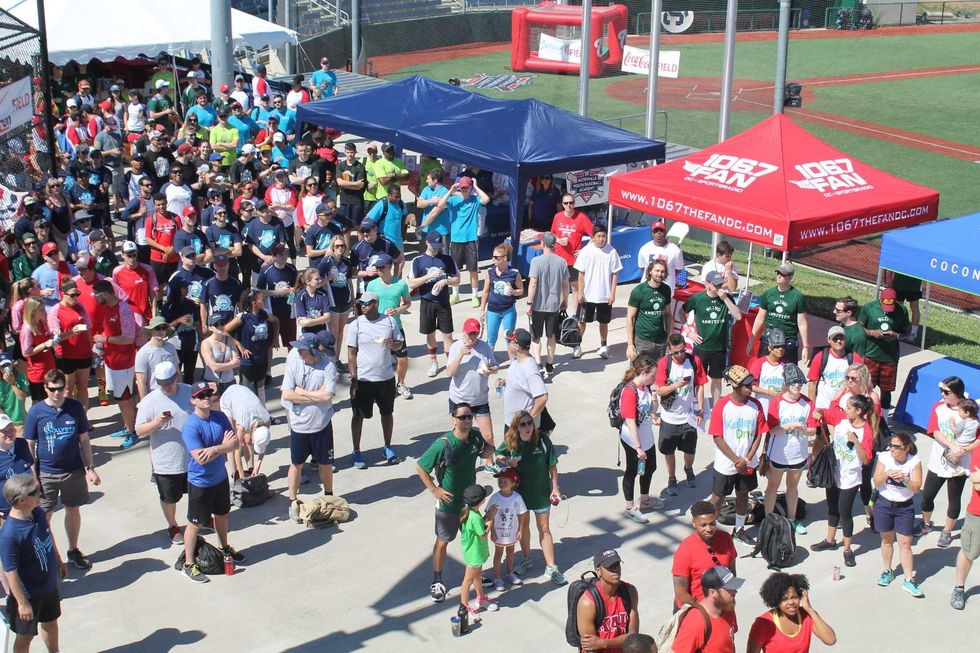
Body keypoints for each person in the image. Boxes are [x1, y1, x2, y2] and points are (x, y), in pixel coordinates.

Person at [415, 403, 493, 603]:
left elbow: (485, 452)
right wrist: (435, 490)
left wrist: (491, 449)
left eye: (470, 416)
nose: (467, 420)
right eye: (463, 417)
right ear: (454, 419)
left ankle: (475, 576)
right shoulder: (443, 444)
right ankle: (437, 581)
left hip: (469, 504)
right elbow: (421, 466)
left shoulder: (475, 437)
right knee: (442, 542)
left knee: (474, 541)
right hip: (449, 505)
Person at [23, 369, 99, 570]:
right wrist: (33, 475)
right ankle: (48, 554)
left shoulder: (75, 407)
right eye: (53, 389)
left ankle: (73, 550)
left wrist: (90, 467)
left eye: (61, 389)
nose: (57, 393)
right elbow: (29, 443)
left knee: (73, 509)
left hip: (73, 471)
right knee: (43, 516)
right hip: (46, 473)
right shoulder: (36, 412)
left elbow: (83, 439)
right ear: (45, 389)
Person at [179, 382, 245, 583]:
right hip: (200, 482)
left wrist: (215, 449)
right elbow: (200, 458)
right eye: (201, 396)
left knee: (222, 516)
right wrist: (223, 446)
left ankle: (225, 548)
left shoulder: (220, 417)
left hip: (220, 478)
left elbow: (235, 443)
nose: (207, 398)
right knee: (195, 524)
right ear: (193, 401)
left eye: (208, 394)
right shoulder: (191, 426)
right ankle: (189, 564)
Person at [494, 411, 564, 585]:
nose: (527, 427)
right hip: (521, 495)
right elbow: (498, 455)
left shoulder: (542, 440)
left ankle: (551, 566)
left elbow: (552, 466)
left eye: (529, 423)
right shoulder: (511, 442)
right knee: (524, 528)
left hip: (541, 493)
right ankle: (526, 559)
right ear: (516, 428)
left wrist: (555, 488)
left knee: (544, 528)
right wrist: (508, 461)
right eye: (523, 424)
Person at [0, 474, 67, 653]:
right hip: (28, 595)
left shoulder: (37, 512)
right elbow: (10, 571)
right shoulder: (10, 534)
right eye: (35, 492)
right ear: (22, 500)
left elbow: (48, 534)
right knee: (25, 636)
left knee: (51, 622)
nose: (40, 493)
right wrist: (22, 603)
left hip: (48, 586)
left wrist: (58, 559)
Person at [810, 394, 876, 568]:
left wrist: (856, 442)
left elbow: (866, 459)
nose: (845, 410)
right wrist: (818, 412)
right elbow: (823, 412)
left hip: (850, 478)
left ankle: (847, 549)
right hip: (835, 472)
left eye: (848, 408)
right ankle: (830, 540)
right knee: (832, 508)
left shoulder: (866, 432)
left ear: (859, 411)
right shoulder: (842, 419)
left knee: (845, 513)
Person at [133, 361, 192, 544]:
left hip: (192, 458)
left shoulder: (189, 390)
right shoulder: (149, 402)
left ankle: (200, 519)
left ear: (176, 377)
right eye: (161, 383)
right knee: (169, 498)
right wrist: (157, 423)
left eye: (169, 382)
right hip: (166, 461)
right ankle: (173, 525)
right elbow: (139, 431)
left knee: (199, 491)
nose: (166, 386)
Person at [708, 365, 767, 546]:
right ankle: (709, 530)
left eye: (751, 383)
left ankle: (739, 530)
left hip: (747, 462)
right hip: (726, 464)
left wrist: (747, 459)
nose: (751, 387)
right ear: (735, 385)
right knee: (718, 498)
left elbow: (758, 434)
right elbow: (717, 437)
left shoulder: (755, 405)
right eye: (747, 384)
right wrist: (736, 460)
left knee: (743, 494)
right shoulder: (722, 406)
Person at [347, 292, 404, 469]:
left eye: (366, 303)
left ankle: (387, 447)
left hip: (385, 378)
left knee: (387, 414)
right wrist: (354, 378)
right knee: (358, 416)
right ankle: (356, 451)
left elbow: (400, 344)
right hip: (363, 379)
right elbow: (351, 353)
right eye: (360, 303)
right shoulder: (355, 324)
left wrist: (393, 345)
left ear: (376, 303)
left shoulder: (389, 321)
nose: (362, 306)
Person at [919, 376, 977, 547]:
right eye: (941, 390)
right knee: (927, 495)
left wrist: (963, 450)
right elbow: (935, 431)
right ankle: (926, 523)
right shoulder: (938, 407)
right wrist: (952, 446)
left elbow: (978, 438)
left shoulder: (969, 411)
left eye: (946, 392)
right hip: (939, 460)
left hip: (959, 464)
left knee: (954, 499)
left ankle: (947, 532)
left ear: (958, 393)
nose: (942, 394)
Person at [283, 335, 337, 515]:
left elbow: (328, 396)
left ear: (313, 350)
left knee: (325, 463)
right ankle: (292, 502)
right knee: (296, 464)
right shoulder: (294, 362)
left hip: (321, 425)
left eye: (302, 349)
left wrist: (301, 393)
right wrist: (315, 396)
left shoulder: (328, 365)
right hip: (299, 426)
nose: (299, 352)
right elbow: (287, 395)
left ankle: (329, 497)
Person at [762, 365, 815, 534]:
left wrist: (803, 430)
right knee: (772, 487)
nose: (798, 386)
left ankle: (792, 519)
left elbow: (813, 430)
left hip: (798, 454)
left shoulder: (808, 403)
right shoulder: (777, 402)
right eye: (794, 383)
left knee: (792, 488)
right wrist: (791, 426)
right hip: (778, 454)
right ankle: (768, 521)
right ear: (786, 384)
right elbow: (772, 430)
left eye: (800, 383)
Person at [873, 431, 925, 597]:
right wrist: (887, 473)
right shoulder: (884, 458)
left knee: (905, 544)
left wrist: (904, 478)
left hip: (904, 507)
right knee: (886, 540)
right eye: (891, 446)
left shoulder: (914, 462)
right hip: (884, 504)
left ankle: (909, 579)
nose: (892, 450)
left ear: (906, 448)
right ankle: (887, 571)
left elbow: (916, 488)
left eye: (897, 447)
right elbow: (876, 480)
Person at [683, 271, 742, 411]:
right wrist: (689, 331)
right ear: (707, 284)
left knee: (717, 379)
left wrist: (725, 299)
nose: (718, 287)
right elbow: (681, 311)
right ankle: (697, 405)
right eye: (715, 284)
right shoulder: (698, 299)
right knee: (698, 379)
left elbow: (738, 316)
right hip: (701, 347)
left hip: (719, 348)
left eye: (720, 284)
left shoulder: (726, 297)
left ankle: (716, 407)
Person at [656, 334, 707, 495]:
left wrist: (700, 408)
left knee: (690, 450)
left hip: (688, 416)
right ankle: (672, 478)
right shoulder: (664, 363)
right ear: (669, 350)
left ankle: (688, 468)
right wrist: (676, 385)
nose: (680, 355)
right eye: (676, 352)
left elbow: (699, 386)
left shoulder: (694, 361)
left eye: (682, 351)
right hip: (669, 417)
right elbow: (660, 390)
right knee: (668, 451)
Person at [618, 354, 663, 524]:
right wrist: (638, 448)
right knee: (632, 471)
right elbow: (630, 422)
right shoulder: (629, 391)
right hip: (633, 440)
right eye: (653, 375)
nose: (655, 378)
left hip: (646, 436)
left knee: (650, 467)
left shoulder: (645, 388)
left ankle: (645, 500)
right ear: (643, 372)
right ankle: (630, 508)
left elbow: (652, 411)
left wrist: (655, 397)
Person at [93, 279, 139, 445]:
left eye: (96, 295)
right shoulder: (108, 309)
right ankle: (127, 427)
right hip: (112, 362)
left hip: (123, 363)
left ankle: (132, 432)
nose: (95, 298)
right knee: (119, 398)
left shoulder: (123, 309)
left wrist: (104, 339)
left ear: (105, 294)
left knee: (125, 399)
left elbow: (128, 338)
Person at [447, 318, 499, 462]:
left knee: (488, 435)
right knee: (462, 436)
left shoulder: (485, 347)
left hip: (480, 399)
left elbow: (495, 366)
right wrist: (460, 355)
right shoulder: (456, 347)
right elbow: (449, 372)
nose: (473, 337)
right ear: (463, 333)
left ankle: (490, 463)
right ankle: (460, 462)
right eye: (470, 333)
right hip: (460, 400)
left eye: (475, 333)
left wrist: (491, 370)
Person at [433, 176, 489, 306]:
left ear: (470, 188)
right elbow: (440, 205)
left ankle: (474, 296)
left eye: (466, 187)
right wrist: (450, 190)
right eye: (462, 188)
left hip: (471, 240)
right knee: (455, 270)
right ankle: (455, 294)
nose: (464, 190)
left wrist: (476, 186)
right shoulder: (453, 200)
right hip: (456, 239)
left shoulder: (475, 200)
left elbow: (486, 199)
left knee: (473, 270)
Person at [410, 231, 460, 379]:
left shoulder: (447, 259)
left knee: (448, 334)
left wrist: (446, 281)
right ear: (427, 242)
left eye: (439, 246)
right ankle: (434, 362)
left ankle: (451, 363)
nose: (437, 249)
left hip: (443, 301)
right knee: (430, 333)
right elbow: (412, 283)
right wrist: (429, 276)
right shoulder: (418, 261)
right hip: (427, 301)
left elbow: (457, 279)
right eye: (434, 245)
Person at [747, 573, 836, 653]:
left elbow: (830, 640)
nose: (791, 602)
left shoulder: (807, 615)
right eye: (784, 599)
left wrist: (810, 609)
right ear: (776, 601)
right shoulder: (763, 624)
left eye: (794, 597)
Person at [672, 501, 737, 611]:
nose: (709, 529)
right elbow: (680, 592)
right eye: (703, 525)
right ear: (694, 523)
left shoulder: (726, 538)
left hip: (722, 605)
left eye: (712, 523)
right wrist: (702, 613)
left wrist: (729, 596)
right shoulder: (685, 550)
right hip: (696, 609)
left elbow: (732, 571)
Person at [365, 253, 412, 396]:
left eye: (381, 267)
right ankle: (378, 387)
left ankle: (401, 384)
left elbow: (408, 303)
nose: (378, 270)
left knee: (402, 359)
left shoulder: (400, 284)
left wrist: (397, 310)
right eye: (376, 267)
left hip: (396, 327)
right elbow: (366, 305)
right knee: (378, 360)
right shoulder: (372, 285)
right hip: (378, 328)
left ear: (390, 267)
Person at [575, 549, 639, 652]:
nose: (616, 570)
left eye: (617, 565)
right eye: (610, 567)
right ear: (598, 570)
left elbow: (633, 637)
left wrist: (603, 643)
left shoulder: (630, 592)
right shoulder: (587, 603)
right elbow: (590, 648)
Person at [746, 262, 810, 365]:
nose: (779, 276)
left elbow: (802, 323)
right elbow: (760, 318)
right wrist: (751, 341)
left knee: (788, 373)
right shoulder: (769, 294)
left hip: (788, 340)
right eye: (778, 273)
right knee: (764, 369)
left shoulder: (797, 297)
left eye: (783, 274)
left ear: (790, 277)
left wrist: (805, 347)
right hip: (769, 338)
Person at [573, 225, 621, 360]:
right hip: (588, 295)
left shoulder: (612, 252)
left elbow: (615, 274)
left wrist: (612, 293)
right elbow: (580, 273)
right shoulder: (586, 251)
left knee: (603, 322)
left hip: (604, 295)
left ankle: (603, 346)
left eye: (603, 236)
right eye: (598, 236)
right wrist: (580, 292)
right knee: (582, 321)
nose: (601, 239)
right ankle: (577, 345)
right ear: (593, 237)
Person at [858, 288, 909, 411]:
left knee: (886, 391)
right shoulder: (869, 308)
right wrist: (871, 332)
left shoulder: (902, 310)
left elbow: (906, 333)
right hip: (871, 355)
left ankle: (884, 420)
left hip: (890, 358)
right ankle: (864, 415)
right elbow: (858, 327)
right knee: (865, 388)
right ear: (880, 300)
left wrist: (895, 335)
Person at [526, 232, 569, 378]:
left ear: (543, 244)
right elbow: (565, 284)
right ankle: (550, 364)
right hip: (554, 305)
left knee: (536, 336)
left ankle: (538, 363)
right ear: (555, 244)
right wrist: (565, 301)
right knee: (551, 336)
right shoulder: (561, 262)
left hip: (538, 305)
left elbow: (533, 283)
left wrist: (529, 303)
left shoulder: (536, 261)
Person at [671, 566, 741, 653]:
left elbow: (729, 643)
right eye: (729, 589)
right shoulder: (695, 622)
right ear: (713, 593)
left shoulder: (728, 608)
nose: (735, 592)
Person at [47, 279, 93, 408]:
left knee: (83, 386)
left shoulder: (80, 307)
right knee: (67, 388)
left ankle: (83, 418)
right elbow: (55, 338)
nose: (75, 298)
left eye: (77, 294)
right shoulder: (55, 311)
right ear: (63, 294)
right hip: (66, 356)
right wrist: (72, 332)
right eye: (72, 295)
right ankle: (67, 417)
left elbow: (88, 329)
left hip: (84, 353)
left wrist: (92, 348)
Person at [226, 289, 277, 400]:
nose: (264, 300)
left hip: (262, 358)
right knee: (246, 390)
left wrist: (275, 338)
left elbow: (275, 321)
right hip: (248, 360)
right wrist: (239, 345)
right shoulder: (243, 317)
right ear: (254, 302)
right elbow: (225, 330)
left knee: (261, 388)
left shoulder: (264, 314)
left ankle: (263, 414)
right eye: (262, 299)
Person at [458, 484, 498, 619]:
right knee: (467, 581)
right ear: (480, 501)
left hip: (476, 553)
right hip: (474, 555)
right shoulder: (474, 516)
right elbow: (483, 534)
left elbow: (480, 524)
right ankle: (464, 608)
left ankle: (480, 598)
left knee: (477, 576)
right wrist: (491, 519)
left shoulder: (473, 512)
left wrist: (487, 515)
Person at [218, 383, 273, 479]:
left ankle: (251, 470)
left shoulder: (267, 420)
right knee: (232, 440)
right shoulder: (243, 425)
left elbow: (263, 444)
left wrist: (257, 465)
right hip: (229, 399)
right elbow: (237, 452)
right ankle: (235, 474)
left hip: (244, 400)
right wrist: (242, 477)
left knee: (248, 440)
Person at [552, 193, 594, 317]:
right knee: (561, 286)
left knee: (576, 287)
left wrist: (584, 250)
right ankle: (562, 310)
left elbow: (594, 236)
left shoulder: (581, 217)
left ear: (574, 204)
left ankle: (576, 314)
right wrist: (558, 240)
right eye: (566, 203)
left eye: (571, 203)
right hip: (559, 259)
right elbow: (552, 234)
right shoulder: (557, 216)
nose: (569, 205)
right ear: (562, 204)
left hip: (575, 260)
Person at [486, 468, 527, 591]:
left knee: (510, 552)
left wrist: (520, 530)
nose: (502, 483)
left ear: (513, 483)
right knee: (498, 554)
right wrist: (492, 531)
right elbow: (489, 515)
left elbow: (521, 514)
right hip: (499, 532)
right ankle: (498, 578)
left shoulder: (517, 498)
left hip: (512, 531)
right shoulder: (495, 498)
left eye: (505, 481)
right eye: (500, 481)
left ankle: (509, 573)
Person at [480, 242, 523, 359]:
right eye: (493, 256)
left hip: (508, 310)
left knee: (509, 338)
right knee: (491, 338)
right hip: (493, 310)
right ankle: (488, 361)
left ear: (504, 258)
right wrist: (482, 309)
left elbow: (521, 290)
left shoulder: (514, 273)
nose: (492, 259)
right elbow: (485, 291)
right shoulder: (490, 272)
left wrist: (514, 292)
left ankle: (513, 363)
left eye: (495, 257)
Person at [807, 325, 860, 414]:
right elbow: (812, 383)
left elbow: (862, 381)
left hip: (845, 407)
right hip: (824, 406)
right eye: (835, 339)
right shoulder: (820, 357)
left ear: (845, 339)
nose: (839, 341)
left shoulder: (854, 357)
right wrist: (812, 407)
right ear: (829, 340)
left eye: (841, 338)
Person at [502, 329, 549, 429]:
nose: (508, 344)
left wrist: (527, 423)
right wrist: (505, 382)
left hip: (521, 429)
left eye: (510, 341)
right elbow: (520, 382)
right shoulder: (516, 361)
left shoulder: (529, 369)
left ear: (517, 347)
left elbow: (542, 398)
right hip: (512, 423)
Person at [627, 260, 672, 362]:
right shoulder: (639, 291)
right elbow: (630, 318)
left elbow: (668, 314)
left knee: (658, 374)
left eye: (663, 271)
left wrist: (669, 336)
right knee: (639, 373)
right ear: (650, 271)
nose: (660, 274)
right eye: (657, 270)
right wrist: (630, 344)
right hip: (642, 340)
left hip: (660, 340)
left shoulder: (666, 289)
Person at [255, 243, 297, 347]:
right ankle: (268, 364)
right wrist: (276, 292)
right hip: (271, 312)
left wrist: (293, 290)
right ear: (273, 256)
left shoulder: (291, 269)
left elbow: (297, 287)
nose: (284, 256)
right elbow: (259, 292)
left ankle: (291, 363)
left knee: (291, 343)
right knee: (269, 344)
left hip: (288, 311)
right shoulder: (265, 271)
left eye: (285, 254)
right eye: (280, 254)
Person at [636, 219, 684, 292]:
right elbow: (642, 267)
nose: (658, 232)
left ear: (665, 232)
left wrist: (665, 277)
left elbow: (678, 269)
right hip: (647, 289)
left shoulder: (675, 250)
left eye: (661, 230)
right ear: (652, 233)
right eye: (656, 230)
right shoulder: (644, 248)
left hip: (667, 290)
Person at [749, 329, 788, 415]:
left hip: (780, 408)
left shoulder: (786, 365)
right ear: (769, 348)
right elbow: (751, 386)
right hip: (762, 407)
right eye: (777, 346)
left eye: (783, 346)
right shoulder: (759, 363)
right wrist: (769, 393)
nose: (780, 349)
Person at [0, 415, 34, 512]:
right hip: (6, 512)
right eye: (4, 430)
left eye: (11, 428)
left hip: (30, 507)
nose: (9, 433)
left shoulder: (22, 444)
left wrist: (36, 484)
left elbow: (30, 464)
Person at [200, 313, 240, 395]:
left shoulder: (230, 340)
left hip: (230, 381)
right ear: (210, 328)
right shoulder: (206, 343)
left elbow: (237, 362)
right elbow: (214, 367)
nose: (220, 326)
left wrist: (223, 365)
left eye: (222, 323)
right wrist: (232, 364)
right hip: (212, 382)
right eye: (216, 324)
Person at [884, 271, 922, 343]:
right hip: (899, 281)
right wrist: (888, 277)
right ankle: (895, 328)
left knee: (914, 306)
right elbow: (893, 261)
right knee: (898, 306)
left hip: (915, 282)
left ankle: (913, 333)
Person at [0, 355, 30, 428]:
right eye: (3, 366)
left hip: (19, 420)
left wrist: (12, 384)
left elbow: (22, 398)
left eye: (8, 364)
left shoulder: (20, 377)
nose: (6, 367)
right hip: (4, 423)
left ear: (13, 363)